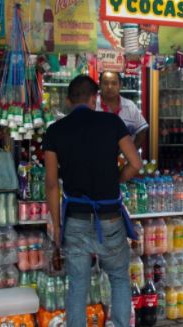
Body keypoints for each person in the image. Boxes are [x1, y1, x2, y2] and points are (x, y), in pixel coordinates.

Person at [43, 75, 142, 327]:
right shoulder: (111, 122)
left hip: (75, 219)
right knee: (119, 278)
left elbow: (52, 184)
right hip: (109, 217)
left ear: (68, 101)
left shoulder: (55, 131)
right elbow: (136, 163)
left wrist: (57, 228)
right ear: (93, 98)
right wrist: (116, 180)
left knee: (78, 284)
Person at [99, 71, 149, 150]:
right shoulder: (93, 105)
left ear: (120, 85)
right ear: (100, 85)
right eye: (105, 83)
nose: (109, 87)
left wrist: (131, 153)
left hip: (124, 160)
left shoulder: (130, 106)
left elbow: (142, 130)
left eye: (114, 83)